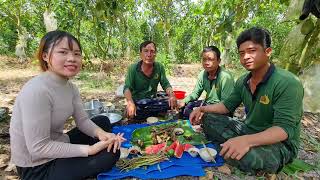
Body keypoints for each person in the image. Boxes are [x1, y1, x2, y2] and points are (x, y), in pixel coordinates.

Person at [9, 30, 125, 180]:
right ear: (45, 56)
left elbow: (83, 121)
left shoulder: (71, 88)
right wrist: (89, 150)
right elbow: (38, 148)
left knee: (102, 122)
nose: (72, 58)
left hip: (57, 144)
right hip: (37, 167)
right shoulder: (37, 91)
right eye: (63, 52)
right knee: (110, 155)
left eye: (77, 54)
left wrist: (103, 135)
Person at [190, 27, 304, 174]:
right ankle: (231, 146)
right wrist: (201, 109)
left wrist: (246, 141)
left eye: (252, 51)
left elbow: (283, 130)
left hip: (280, 143)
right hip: (248, 129)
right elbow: (226, 106)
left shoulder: (288, 83)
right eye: (242, 53)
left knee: (247, 157)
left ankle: (232, 148)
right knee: (208, 119)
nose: (246, 57)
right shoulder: (243, 80)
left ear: (267, 52)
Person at [124, 40, 177, 120]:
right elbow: (127, 88)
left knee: (172, 103)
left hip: (153, 102)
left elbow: (165, 84)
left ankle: (152, 113)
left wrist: (172, 95)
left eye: (152, 51)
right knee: (134, 111)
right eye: (146, 51)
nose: (149, 55)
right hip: (138, 102)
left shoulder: (159, 67)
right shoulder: (133, 68)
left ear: (155, 54)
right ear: (140, 54)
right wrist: (130, 102)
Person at [178, 46, 234, 119]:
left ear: (219, 61)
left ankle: (202, 120)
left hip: (220, 109)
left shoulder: (225, 77)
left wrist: (204, 111)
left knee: (207, 117)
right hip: (207, 104)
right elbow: (196, 93)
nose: (206, 63)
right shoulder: (202, 74)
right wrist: (184, 101)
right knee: (186, 107)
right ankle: (198, 120)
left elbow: (226, 106)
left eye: (210, 59)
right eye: (204, 59)